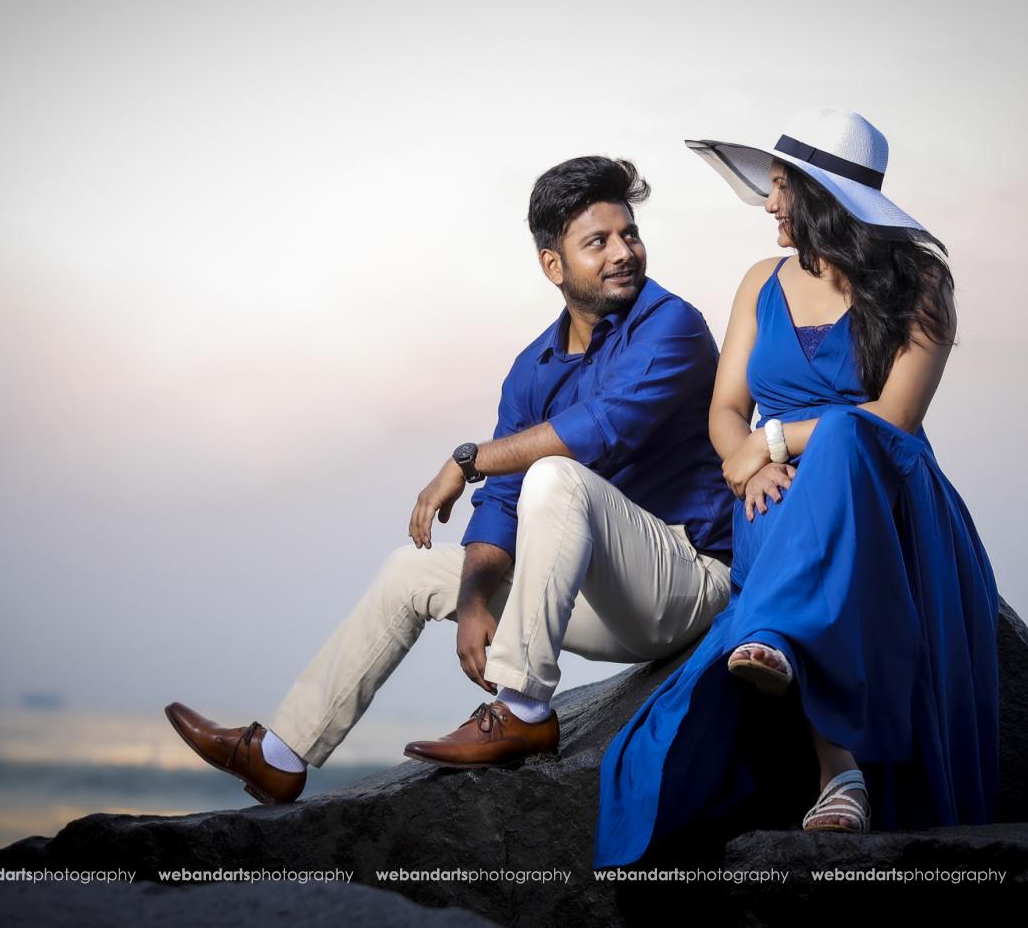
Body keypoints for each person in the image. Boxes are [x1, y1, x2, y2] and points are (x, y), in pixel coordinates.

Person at [165, 156, 735, 803]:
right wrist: (473, 600)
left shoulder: (672, 325)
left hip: (690, 580)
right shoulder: (533, 367)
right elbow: (504, 502)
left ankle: (523, 709)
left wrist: (466, 460)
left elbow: (600, 429)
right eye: (597, 241)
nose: (623, 252)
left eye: (629, 234)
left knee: (555, 475)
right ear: (553, 265)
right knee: (409, 572)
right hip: (605, 599)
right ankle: (280, 753)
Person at [594, 107, 1000, 868]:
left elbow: (895, 417)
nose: (769, 203)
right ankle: (837, 769)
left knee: (843, 437)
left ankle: (780, 644)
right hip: (772, 492)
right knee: (798, 490)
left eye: (782, 188)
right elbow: (725, 410)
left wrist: (773, 440)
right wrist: (746, 459)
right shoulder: (761, 282)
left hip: (882, 490)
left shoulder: (921, 283)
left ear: (824, 198)